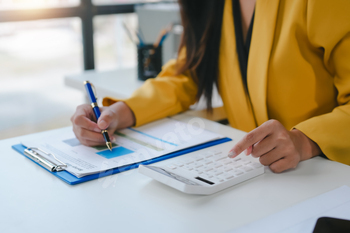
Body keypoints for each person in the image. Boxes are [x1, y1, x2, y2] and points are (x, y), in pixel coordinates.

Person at [71, 0, 350, 173]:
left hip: (323, 175)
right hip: (250, 174)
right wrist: (119, 112)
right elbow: (185, 75)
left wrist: (302, 142)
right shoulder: (212, 4)